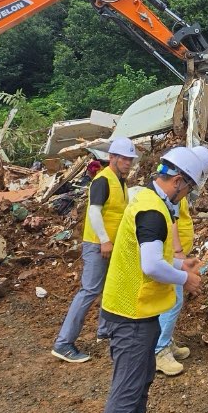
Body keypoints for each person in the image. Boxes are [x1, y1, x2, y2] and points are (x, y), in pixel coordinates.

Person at [90, 146, 208, 413]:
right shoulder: (153, 211)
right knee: (125, 392)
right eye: (187, 188)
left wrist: (180, 266)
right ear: (177, 181)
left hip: (139, 310)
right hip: (130, 313)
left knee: (140, 379)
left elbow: (154, 257)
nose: (186, 194)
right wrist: (184, 280)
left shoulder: (149, 201)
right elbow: (149, 266)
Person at [51, 137, 139, 363]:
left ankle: (105, 331)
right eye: (124, 159)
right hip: (99, 244)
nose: (128, 163)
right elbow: (94, 212)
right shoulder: (103, 181)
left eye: (130, 159)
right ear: (112, 158)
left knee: (110, 287)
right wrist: (104, 240)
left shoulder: (120, 181)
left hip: (111, 244)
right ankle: (63, 343)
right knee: (89, 290)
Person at [152, 145, 208, 376]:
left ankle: (164, 342)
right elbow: (172, 223)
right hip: (169, 255)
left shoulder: (172, 191)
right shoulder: (170, 195)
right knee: (172, 301)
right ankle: (159, 350)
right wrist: (178, 254)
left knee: (171, 301)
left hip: (172, 257)